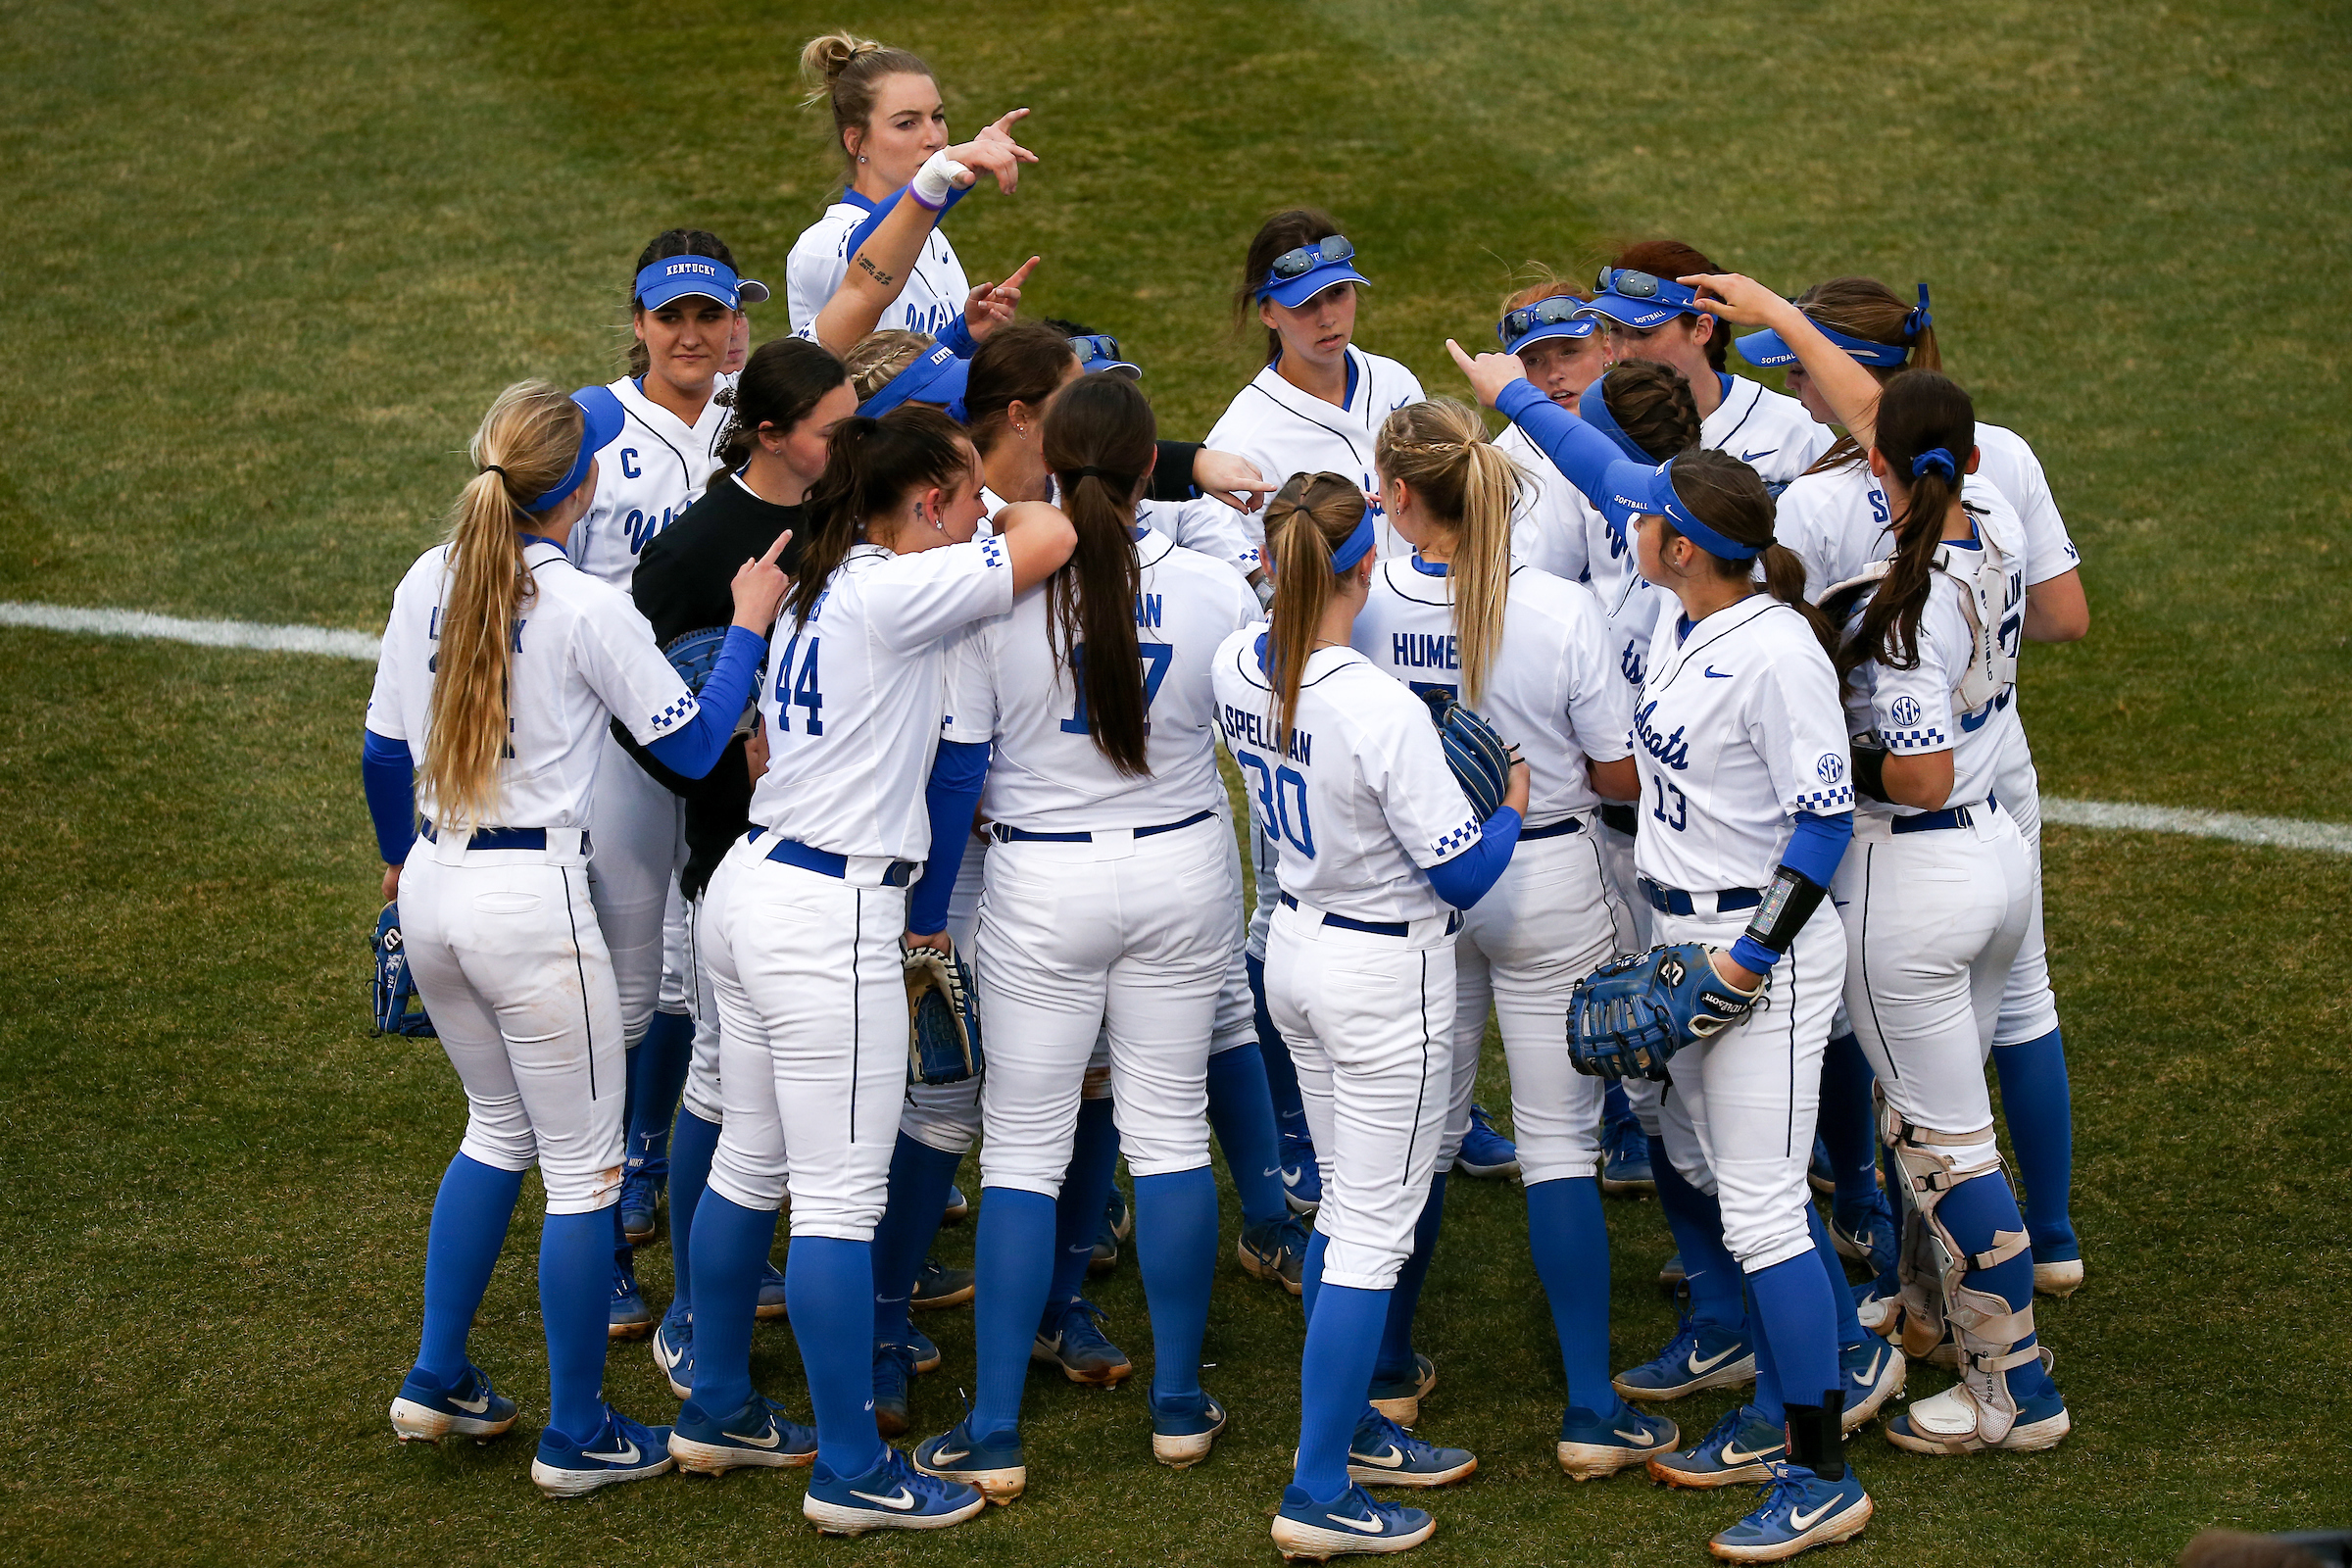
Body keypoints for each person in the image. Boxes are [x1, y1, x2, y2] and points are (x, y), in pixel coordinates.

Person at [1457, 336, 1873, 1560]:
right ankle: (1792, 1392)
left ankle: (1822, 1464)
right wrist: (1516, 397)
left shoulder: (1775, 649)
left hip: (1762, 955)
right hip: (1683, 939)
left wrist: (1746, 960)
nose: (1625, 520)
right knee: (1710, 1167)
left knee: (1761, 1209)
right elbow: (1598, 469)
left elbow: (1827, 819)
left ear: (1681, 546)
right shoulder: (1690, 613)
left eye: (1646, 517)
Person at [366, 380, 788, 1494]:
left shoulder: (428, 576)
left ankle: (438, 1376)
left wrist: (397, 874)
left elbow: (378, 753)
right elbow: (695, 750)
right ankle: (579, 1433)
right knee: (585, 1173)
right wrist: (747, 625)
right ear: (584, 483)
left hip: (437, 887)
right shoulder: (589, 607)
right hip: (533, 909)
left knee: (495, 1129)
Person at [678, 405, 1074, 1535]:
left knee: (752, 1168)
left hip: (755, 884)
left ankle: (716, 1402)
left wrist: (959, 501)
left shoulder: (816, 579)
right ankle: (850, 1467)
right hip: (826, 913)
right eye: (958, 493)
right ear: (931, 502)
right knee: (839, 1205)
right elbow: (1046, 538)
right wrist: (994, 507)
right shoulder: (896, 587)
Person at [1702, 276, 2073, 1455]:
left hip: (1915, 877)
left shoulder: (1904, 613)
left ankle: (2018, 1393)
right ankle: (1939, 1323)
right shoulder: (1993, 521)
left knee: (1941, 1145)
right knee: (1949, 1126)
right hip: (1994, 863)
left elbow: (1908, 776)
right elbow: (1886, 423)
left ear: (1880, 468)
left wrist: (1826, 746)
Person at [907, 372, 1260, 1496]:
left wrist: (924, 921)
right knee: (1165, 1135)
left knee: (1018, 1148)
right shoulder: (1212, 585)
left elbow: (958, 769)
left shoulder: (992, 589)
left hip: (1040, 881)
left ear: (1046, 459)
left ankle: (998, 1427)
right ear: (1153, 464)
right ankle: (1175, 1405)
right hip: (1183, 867)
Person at [1348, 398, 1666, 1479]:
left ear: (1396, 495)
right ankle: (1588, 1411)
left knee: (1419, 1143)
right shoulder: (1561, 606)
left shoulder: (1367, 603)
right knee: (1561, 1146)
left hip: (1419, 885)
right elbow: (1618, 774)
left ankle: (1387, 1370)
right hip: (1550, 878)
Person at [1214, 472, 1528, 1560]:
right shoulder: (1376, 705)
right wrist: (1516, 802)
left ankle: (1346, 1431)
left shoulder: (1237, 660)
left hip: (1294, 952)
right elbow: (1464, 875)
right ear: (1360, 571)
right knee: (1371, 1232)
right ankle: (1317, 1487)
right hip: (1384, 975)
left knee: (1346, 1208)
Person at [615, 336, 858, 1403]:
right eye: (833, 430)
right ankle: (688, 1310)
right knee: (721, 1088)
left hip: (839, 853)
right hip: (733, 857)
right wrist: (730, 742)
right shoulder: (691, 552)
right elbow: (639, 711)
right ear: (771, 436)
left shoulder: (851, 518)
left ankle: (759, 1268)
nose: (849, 444)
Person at [563, 228, 764, 1333]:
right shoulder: (596, 425)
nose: (693, 335)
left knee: (722, 981)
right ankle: (608, 1208)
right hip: (621, 753)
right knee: (627, 994)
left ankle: (698, 1199)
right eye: (671, 316)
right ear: (638, 323)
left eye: (712, 314)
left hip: (746, 746)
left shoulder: (764, 421)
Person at [1204, 209, 1427, 559]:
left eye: (1338, 293)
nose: (1327, 318)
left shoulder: (1396, 383)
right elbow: (1229, 554)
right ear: (1267, 312)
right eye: (1305, 303)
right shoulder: (1241, 441)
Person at [788, 33, 1004, 336]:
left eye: (937, 117)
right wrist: (944, 182)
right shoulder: (821, 245)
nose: (935, 138)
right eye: (906, 123)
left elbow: (913, 368)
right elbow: (871, 251)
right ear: (856, 143)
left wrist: (965, 336)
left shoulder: (934, 239)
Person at [1576, 240, 1829, 495]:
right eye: (1616, 330)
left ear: (1701, 329)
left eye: (1644, 333)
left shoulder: (1796, 431)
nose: (1626, 353)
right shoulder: (1592, 431)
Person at [1489, 268, 1609, 580]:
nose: (1555, 373)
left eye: (1569, 352)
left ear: (1607, 349)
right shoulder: (1500, 462)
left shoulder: (1652, 424)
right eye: (1534, 361)